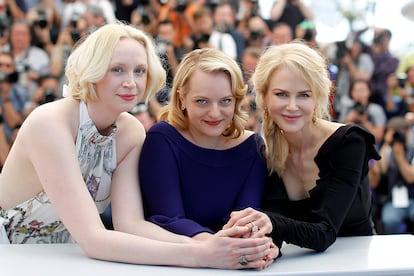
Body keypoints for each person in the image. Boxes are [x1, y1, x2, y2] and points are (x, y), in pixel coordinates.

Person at [0, 22, 273, 270]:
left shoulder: (130, 131)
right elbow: (94, 239)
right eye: (117, 69)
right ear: (93, 70)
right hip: (9, 256)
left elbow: (129, 224)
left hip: (67, 259)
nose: (131, 82)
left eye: (139, 71)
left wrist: (214, 245)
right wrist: (203, 254)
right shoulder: (50, 123)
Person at [223, 42, 380, 253]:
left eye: (304, 95)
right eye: (281, 94)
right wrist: (268, 248)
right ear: (264, 96)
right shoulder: (267, 152)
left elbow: (324, 232)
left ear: (317, 98)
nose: (292, 106)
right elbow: (274, 228)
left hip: (359, 266)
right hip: (301, 267)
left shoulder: (349, 143)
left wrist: (271, 223)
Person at [138, 48, 277, 264]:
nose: (214, 113)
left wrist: (249, 244)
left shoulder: (252, 147)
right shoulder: (162, 139)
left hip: (233, 260)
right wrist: (216, 249)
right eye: (202, 101)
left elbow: (247, 215)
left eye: (225, 101)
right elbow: (168, 217)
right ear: (182, 99)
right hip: (176, 263)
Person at [376, 116, 414, 234]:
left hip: (412, 198)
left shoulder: (412, 150)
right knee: (390, 220)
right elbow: (380, 169)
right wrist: (387, 143)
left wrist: (400, 157)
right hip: (392, 200)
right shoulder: (387, 150)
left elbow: (410, 177)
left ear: (408, 132)